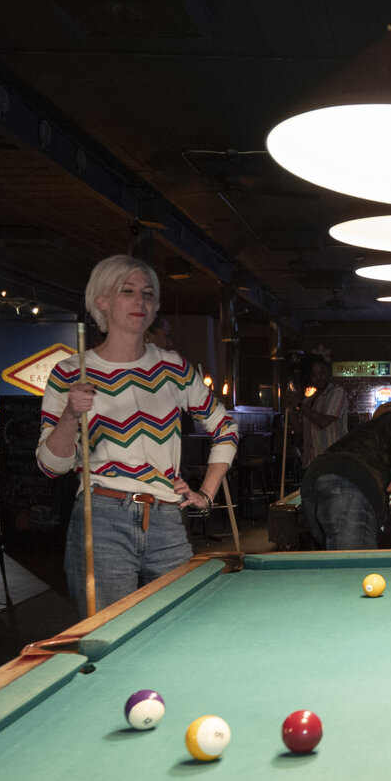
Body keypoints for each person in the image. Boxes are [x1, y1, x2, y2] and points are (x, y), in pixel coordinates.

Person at [37, 256, 236, 604]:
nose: (139, 301)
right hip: (101, 517)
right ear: (101, 301)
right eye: (127, 291)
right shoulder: (71, 372)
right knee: (109, 633)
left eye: (147, 293)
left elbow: (225, 428)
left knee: (182, 623)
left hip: (166, 516)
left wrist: (206, 493)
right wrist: (70, 416)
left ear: (156, 305)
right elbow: (51, 466)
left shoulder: (173, 367)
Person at [298, 399, 391, 550]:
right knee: (353, 567)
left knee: (333, 562)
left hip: (313, 480)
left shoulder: (364, 430)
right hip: (346, 486)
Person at [300, 358, 351, 465]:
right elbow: (302, 432)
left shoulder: (337, 393)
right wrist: (290, 409)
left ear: (329, 374)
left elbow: (322, 422)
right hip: (312, 463)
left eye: (322, 372)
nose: (319, 377)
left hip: (333, 462)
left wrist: (299, 405)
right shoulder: (307, 401)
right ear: (310, 377)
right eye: (314, 374)